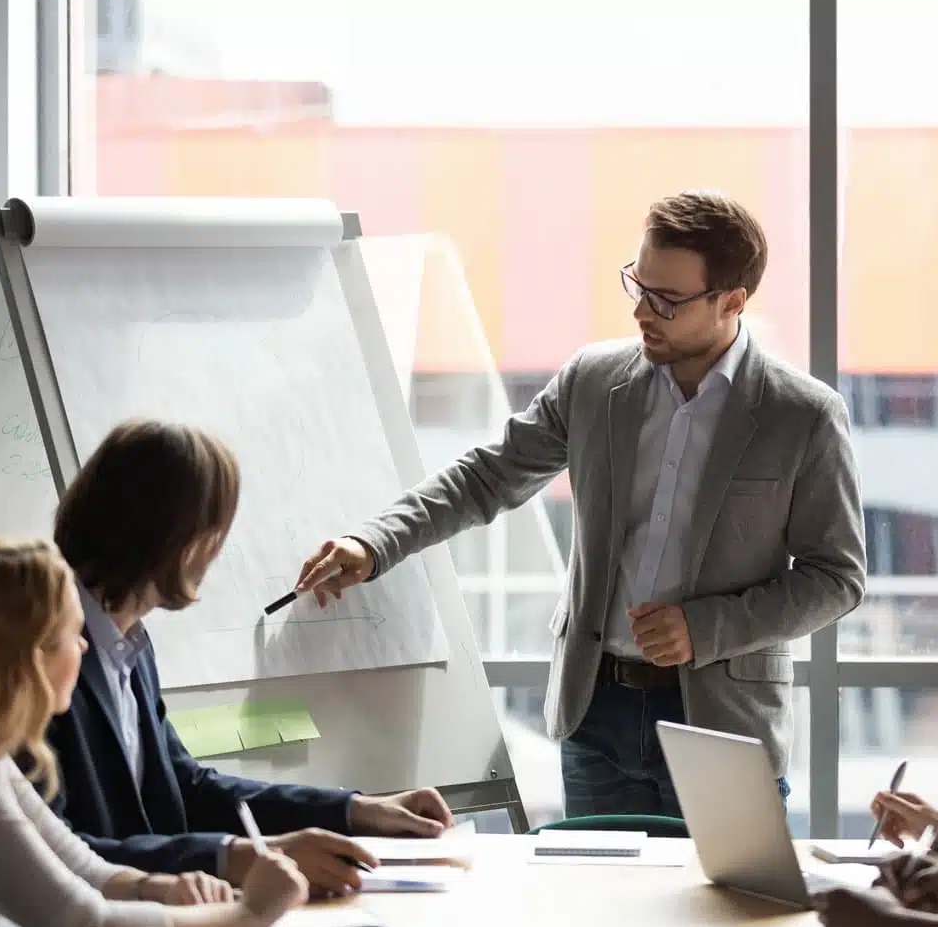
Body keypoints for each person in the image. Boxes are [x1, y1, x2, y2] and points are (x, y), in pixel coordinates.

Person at [295, 190, 867, 818]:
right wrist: (377, 542)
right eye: (638, 286)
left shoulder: (802, 415)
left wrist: (704, 629)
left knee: (726, 912)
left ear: (731, 302)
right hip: (595, 713)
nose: (644, 312)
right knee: (598, 906)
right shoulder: (595, 383)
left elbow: (836, 578)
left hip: (721, 723)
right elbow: (487, 477)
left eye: (667, 301)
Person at [24, 420, 452, 927]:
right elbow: (63, 853)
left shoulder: (127, 643)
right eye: (217, 532)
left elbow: (185, 788)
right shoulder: (43, 654)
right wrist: (237, 856)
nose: (218, 552)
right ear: (180, 539)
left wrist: (356, 809)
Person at [0, 538, 309, 927]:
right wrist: (249, 914)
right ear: (31, 654)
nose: (83, 647)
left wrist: (156, 888)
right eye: (74, 634)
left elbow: (78, 865)